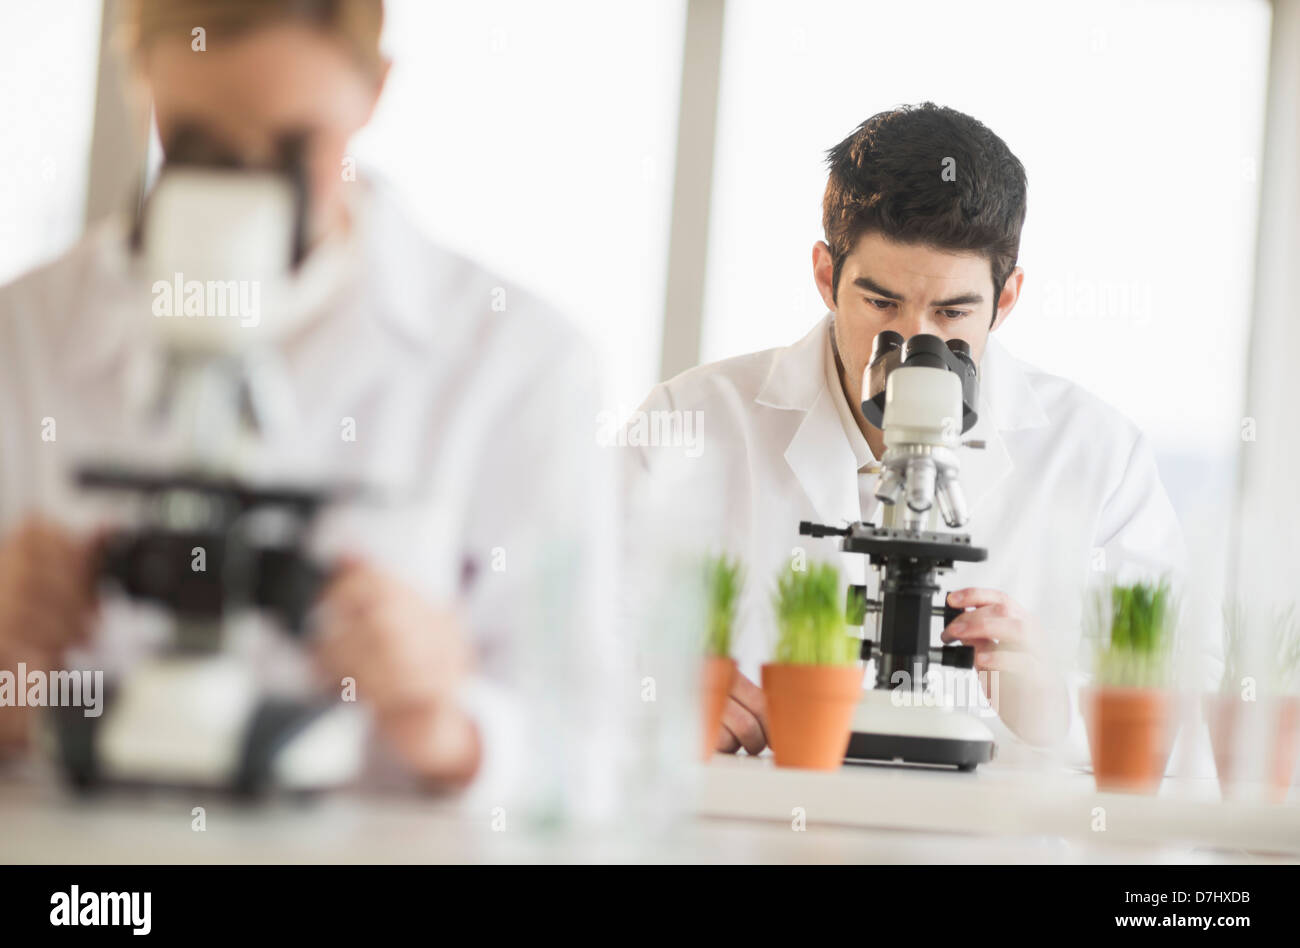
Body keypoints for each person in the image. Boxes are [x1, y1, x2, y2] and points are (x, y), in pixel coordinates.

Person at [0, 0, 614, 798]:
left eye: (297, 145)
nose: (249, 183)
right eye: (199, 145)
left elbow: (597, 749)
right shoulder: (24, 335)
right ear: (142, 75)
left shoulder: (519, 359)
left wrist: (454, 725)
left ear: (374, 90)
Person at [624, 103, 1186, 763]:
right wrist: (655, 695)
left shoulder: (1098, 455)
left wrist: (1060, 707)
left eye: (952, 311)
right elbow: (552, 640)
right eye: (881, 302)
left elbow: (1190, 721)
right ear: (826, 276)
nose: (916, 343)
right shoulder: (688, 421)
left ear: (1005, 299)